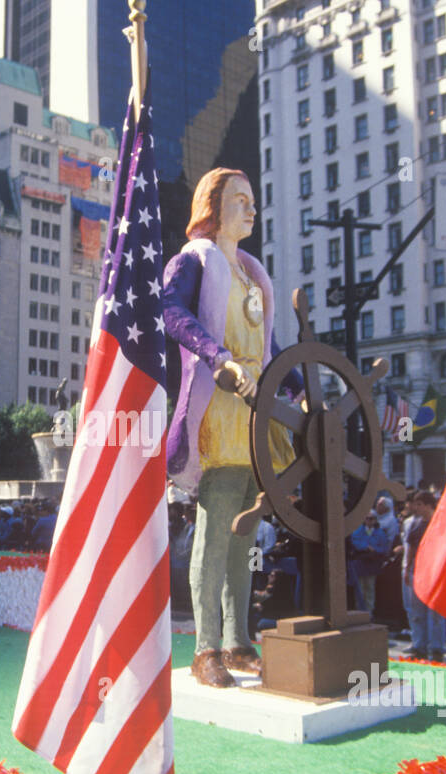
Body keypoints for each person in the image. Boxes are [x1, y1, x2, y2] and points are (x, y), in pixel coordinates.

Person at [161, 167, 301, 688]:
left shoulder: (251, 274)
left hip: (257, 414)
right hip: (219, 410)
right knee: (217, 531)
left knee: (246, 536)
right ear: (213, 207)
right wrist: (217, 355)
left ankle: (240, 641)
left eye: (253, 200)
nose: (251, 209)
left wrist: (293, 391)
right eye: (240, 200)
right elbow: (170, 311)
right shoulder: (195, 261)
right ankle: (205, 649)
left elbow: (270, 351)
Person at [403, 491, 446, 661]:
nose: (416, 508)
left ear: (429, 505)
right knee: (417, 611)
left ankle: (437, 648)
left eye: (419, 504)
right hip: (418, 573)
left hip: (436, 573)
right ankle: (419, 645)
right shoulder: (415, 526)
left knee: (436, 613)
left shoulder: (441, 524)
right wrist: (407, 570)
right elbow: (411, 551)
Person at [349, 510, 389, 613]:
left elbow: (384, 547)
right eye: (367, 518)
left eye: (372, 519)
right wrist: (366, 546)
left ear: (375, 520)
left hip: (372, 564)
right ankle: (360, 611)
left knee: (370, 588)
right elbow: (354, 542)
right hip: (360, 563)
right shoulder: (358, 531)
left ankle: (369, 612)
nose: (369, 521)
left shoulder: (380, 533)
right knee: (360, 589)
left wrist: (374, 549)